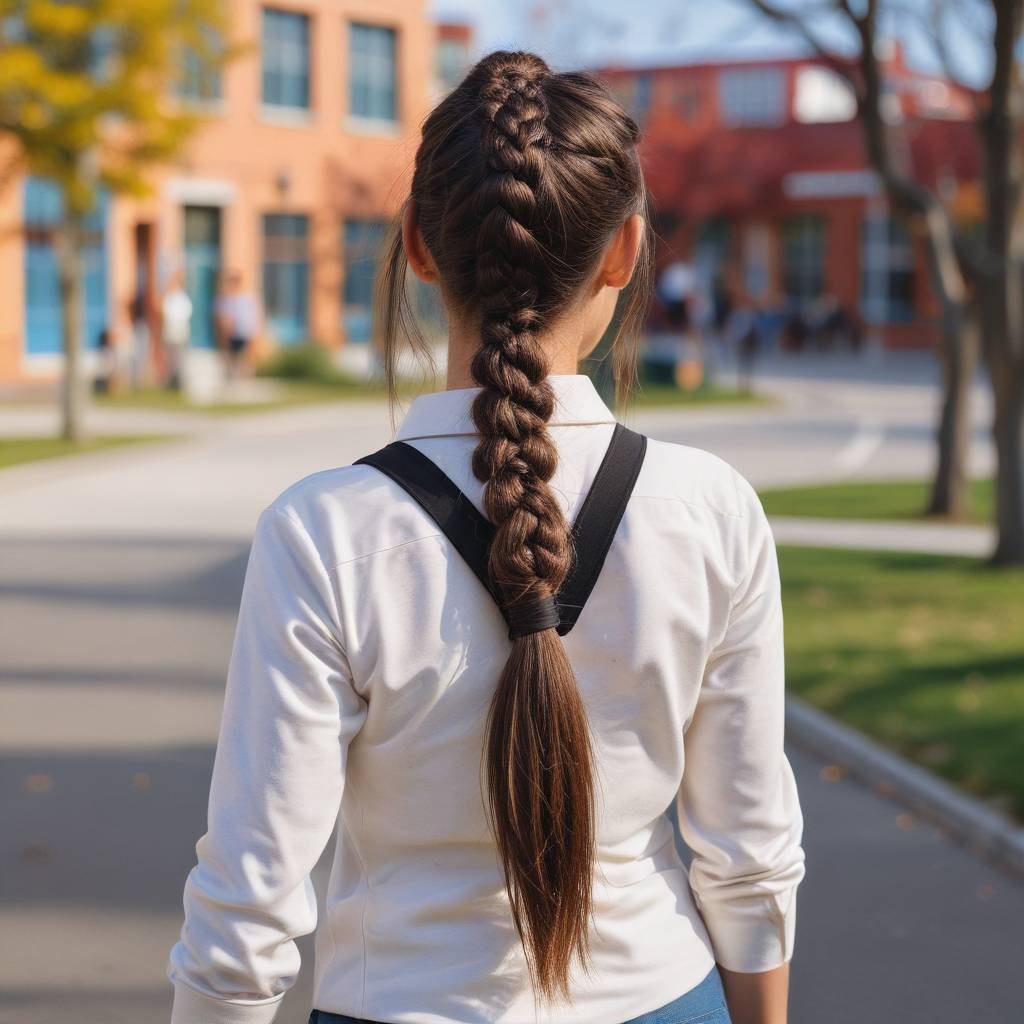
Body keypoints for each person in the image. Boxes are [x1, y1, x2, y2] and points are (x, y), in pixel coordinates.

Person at [168, 51, 805, 1024]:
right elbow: (746, 850)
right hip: (664, 998)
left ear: (418, 247)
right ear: (626, 251)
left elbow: (249, 903)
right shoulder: (710, 507)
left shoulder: (324, 532)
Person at [215, 269, 259, 378]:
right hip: (229, 334)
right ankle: (233, 377)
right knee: (231, 357)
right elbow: (220, 317)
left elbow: (252, 317)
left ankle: (245, 377)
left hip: (244, 332)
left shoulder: (246, 298)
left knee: (245, 357)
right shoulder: (223, 299)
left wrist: (254, 333)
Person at [161, 272, 193, 390]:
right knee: (171, 356)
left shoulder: (182, 297)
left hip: (179, 328)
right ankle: (172, 379)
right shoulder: (169, 296)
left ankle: (179, 379)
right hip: (171, 328)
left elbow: (186, 312)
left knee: (179, 356)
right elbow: (164, 311)